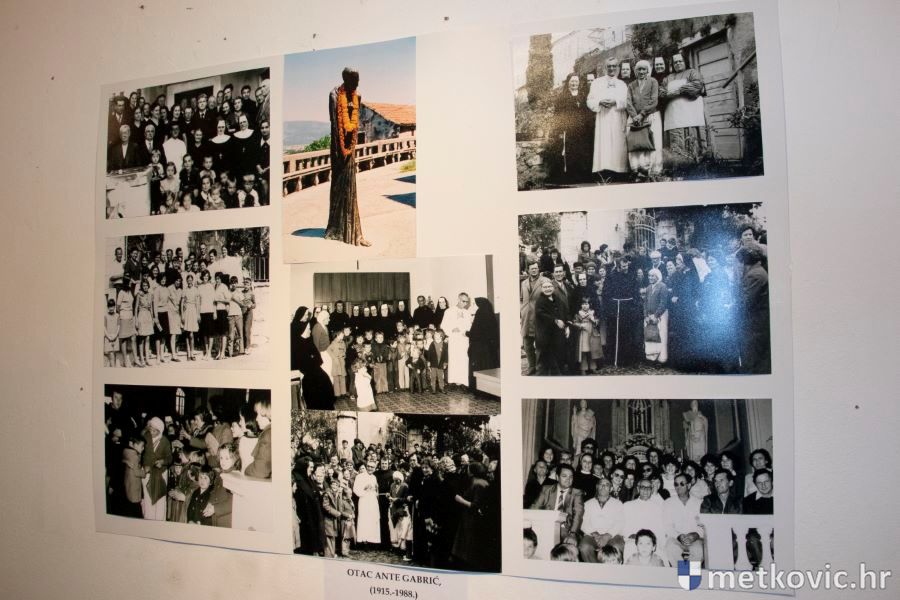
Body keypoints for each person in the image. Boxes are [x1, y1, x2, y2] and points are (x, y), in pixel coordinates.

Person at [324, 68, 371, 246]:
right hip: (338, 149)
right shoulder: (334, 95)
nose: (357, 84)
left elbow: (355, 125)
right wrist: (340, 151)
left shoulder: (357, 96)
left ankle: (355, 234)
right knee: (338, 187)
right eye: (355, 81)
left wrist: (350, 148)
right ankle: (335, 229)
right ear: (347, 79)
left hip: (350, 149)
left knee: (351, 188)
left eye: (358, 81)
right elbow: (335, 126)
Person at [660, 53, 708, 173]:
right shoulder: (668, 78)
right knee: (676, 142)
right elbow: (661, 92)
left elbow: (697, 85)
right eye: (675, 62)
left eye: (680, 61)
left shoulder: (693, 72)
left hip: (691, 114)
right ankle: (678, 169)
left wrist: (678, 91)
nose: (678, 64)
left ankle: (696, 169)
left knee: (692, 139)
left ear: (685, 61)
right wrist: (667, 94)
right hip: (674, 115)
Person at [586, 58, 629, 180]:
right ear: (605, 67)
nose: (611, 68)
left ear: (617, 68)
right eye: (609, 66)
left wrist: (616, 101)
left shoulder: (622, 84)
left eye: (614, 66)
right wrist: (600, 102)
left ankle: (619, 171)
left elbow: (628, 101)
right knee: (604, 144)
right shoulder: (597, 83)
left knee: (618, 143)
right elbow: (589, 101)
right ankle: (604, 171)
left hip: (617, 117)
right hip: (603, 118)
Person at [548, 73, 593, 184]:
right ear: (568, 82)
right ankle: (571, 176)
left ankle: (582, 176)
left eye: (576, 81)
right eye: (572, 81)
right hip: (569, 130)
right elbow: (558, 115)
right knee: (570, 152)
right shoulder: (562, 97)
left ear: (579, 83)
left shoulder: (583, 96)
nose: (574, 83)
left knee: (582, 151)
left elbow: (587, 113)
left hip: (582, 130)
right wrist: (560, 130)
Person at [290, 307, 336, 410]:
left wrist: (313, 360)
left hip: (313, 367)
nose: (310, 331)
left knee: (325, 380)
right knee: (317, 383)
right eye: (308, 329)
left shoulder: (308, 340)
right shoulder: (298, 343)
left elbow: (316, 355)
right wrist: (312, 360)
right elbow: (300, 360)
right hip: (307, 371)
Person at [603, 257, 644, 367]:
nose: (625, 268)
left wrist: (634, 305)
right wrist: (611, 304)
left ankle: (629, 359)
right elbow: (606, 293)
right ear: (618, 267)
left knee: (628, 334)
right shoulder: (611, 277)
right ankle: (615, 358)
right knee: (616, 334)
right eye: (623, 267)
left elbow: (636, 293)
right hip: (616, 309)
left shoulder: (632, 276)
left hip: (629, 309)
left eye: (626, 266)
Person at [626, 60, 663, 180]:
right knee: (636, 143)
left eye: (644, 69)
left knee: (652, 142)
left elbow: (654, 100)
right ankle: (637, 171)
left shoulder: (653, 82)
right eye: (639, 69)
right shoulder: (631, 85)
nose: (641, 71)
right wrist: (634, 116)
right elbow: (628, 102)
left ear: (648, 70)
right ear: (635, 71)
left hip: (650, 116)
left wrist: (642, 114)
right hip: (634, 118)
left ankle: (653, 172)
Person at [530, 464, 584, 543]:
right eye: (564, 476)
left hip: (566, 529)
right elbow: (534, 508)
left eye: (571, 477)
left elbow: (578, 515)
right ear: (557, 477)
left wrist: (572, 533)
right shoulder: (546, 489)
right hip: (546, 525)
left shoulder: (577, 493)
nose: (568, 479)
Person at [578, 477, 626, 562]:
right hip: (592, 535)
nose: (603, 486)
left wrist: (607, 535)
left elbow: (620, 522)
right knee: (584, 547)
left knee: (618, 545)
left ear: (611, 489)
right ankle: (595, 569)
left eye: (607, 485)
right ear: (597, 487)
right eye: (601, 484)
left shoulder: (618, 504)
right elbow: (583, 522)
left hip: (612, 535)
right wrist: (595, 534)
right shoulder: (588, 503)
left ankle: (612, 569)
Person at [663, 473, 704, 564]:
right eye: (676, 484)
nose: (678, 487)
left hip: (695, 539)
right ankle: (683, 573)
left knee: (698, 550)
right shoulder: (668, 503)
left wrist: (695, 535)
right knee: (671, 547)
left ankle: (690, 573)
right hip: (676, 538)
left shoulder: (699, 503)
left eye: (682, 484)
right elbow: (667, 526)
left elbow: (703, 525)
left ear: (689, 485)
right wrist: (679, 536)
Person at [534, 279, 567, 375]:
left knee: (557, 357)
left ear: (553, 288)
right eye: (545, 287)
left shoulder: (557, 299)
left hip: (556, 335)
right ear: (541, 289)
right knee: (545, 361)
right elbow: (541, 314)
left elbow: (564, 312)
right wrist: (555, 321)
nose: (547, 289)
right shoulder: (540, 301)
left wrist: (566, 325)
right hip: (545, 336)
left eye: (549, 286)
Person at [441, 293, 473, 387]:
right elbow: (443, 325)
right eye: (463, 301)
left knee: (463, 359)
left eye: (467, 302)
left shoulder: (467, 313)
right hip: (454, 338)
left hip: (464, 339)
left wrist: (465, 330)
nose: (465, 303)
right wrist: (451, 329)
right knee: (454, 359)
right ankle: (453, 381)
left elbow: (470, 326)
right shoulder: (449, 311)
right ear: (458, 299)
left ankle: (463, 382)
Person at [467, 297, 499, 389]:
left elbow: (475, 332)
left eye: (475, 304)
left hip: (479, 348)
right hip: (489, 348)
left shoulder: (480, 313)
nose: (474, 305)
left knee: (478, 368)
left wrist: (466, 333)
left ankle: (477, 388)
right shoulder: (490, 314)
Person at [520, 262, 544, 374]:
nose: (534, 270)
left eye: (536, 268)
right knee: (527, 344)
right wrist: (522, 311)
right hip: (526, 317)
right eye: (532, 269)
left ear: (538, 269)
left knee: (540, 344)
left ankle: (539, 366)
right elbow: (522, 299)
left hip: (539, 317)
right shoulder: (524, 283)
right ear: (528, 270)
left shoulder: (544, 281)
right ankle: (531, 366)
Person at [643, 268, 669, 363]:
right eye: (649, 276)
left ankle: (661, 359)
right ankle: (651, 358)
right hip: (649, 316)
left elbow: (663, 303)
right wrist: (646, 315)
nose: (650, 277)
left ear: (657, 277)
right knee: (650, 336)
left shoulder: (663, 286)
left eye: (652, 276)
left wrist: (656, 315)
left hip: (660, 316)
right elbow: (645, 302)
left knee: (661, 336)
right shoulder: (648, 288)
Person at [353, 461, 381, 546]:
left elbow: (375, 491)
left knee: (372, 520)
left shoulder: (374, 477)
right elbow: (355, 489)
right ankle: (363, 541)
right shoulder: (359, 476)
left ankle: (372, 540)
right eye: (368, 466)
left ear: (375, 468)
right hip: (364, 500)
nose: (370, 468)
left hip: (372, 501)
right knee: (364, 520)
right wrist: (364, 489)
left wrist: (375, 492)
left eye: (372, 467)